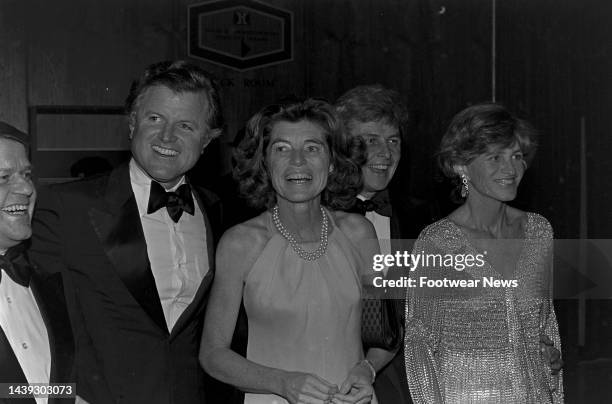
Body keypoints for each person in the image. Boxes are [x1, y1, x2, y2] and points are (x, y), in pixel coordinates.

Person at [29, 61, 227, 404]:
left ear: (207, 139)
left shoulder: (217, 210)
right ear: (132, 122)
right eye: (155, 119)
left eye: (185, 125)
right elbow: (27, 327)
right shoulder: (66, 207)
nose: (167, 137)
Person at [199, 98, 394, 404]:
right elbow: (213, 354)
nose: (298, 161)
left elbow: (385, 334)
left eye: (313, 148)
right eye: (282, 148)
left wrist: (366, 370)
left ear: (331, 162)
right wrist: (282, 383)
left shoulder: (358, 233)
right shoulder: (241, 243)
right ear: (265, 162)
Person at [404, 103, 564, 403]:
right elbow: (420, 346)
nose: (511, 169)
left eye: (517, 156)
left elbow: (545, 325)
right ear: (460, 165)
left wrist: (550, 357)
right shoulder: (438, 243)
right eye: (495, 157)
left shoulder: (539, 232)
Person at [335, 84, 439, 404]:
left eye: (393, 140)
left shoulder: (423, 219)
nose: (385, 153)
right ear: (342, 147)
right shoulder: (315, 216)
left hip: (404, 384)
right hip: (330, 379)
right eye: (370, 140)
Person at [0, 122, 75, 404]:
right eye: (4, 177)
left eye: (27, 174)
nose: (27, 188)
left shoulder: (48, 283)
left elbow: (45, 389)